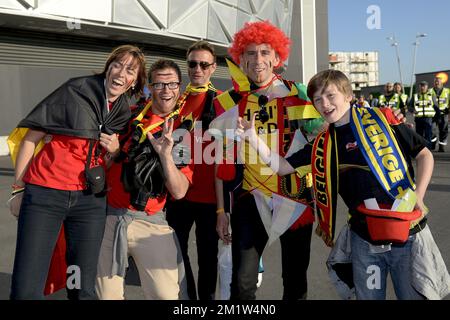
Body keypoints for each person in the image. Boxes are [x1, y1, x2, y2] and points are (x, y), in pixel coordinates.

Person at [238, 69, 450, 300]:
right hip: (364, 238)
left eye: (330, 96)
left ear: (348, 95)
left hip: (407, 234)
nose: (324, 104)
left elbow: (424, 154)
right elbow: (282, 167)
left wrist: (419, 195)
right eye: (317, 99)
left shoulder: (383, 119)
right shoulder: (322, 144)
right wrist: (253, 138)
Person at [8, 44, 147, 300]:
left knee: (81, 285)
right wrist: (17, 190)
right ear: (108, 67)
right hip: (45, 196)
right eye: (117, 64)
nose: (121, 73)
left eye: (130, 70)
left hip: (88, 202)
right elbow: (30, 139)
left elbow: (103, 163)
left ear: (134, 82)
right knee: (27, 286)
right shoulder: (76, 90)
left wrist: (114, 151)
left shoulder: (124, 111)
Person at [213, 21, 321, 300]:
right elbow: (220, 160)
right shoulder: (229, 101)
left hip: (293, 199)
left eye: (264, 52)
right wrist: (221, 210)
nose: (258, 59)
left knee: (295, 283)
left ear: (277, 58)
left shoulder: (297, 94)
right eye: (250, 53)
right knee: (242, 283)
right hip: (252, 198)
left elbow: (321, 141)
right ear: (241, 59)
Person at [96, 59, 195, 300]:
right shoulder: (126, 118)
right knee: (106, 297)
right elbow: (98, 163)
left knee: (165, 296)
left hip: (150, 221)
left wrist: (165, 156)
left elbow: (180, 191)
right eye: (159, 84)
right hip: (110, 217)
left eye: (172, 84)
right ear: (150, 87)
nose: (166, 90)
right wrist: (116, 152)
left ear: (179, 88)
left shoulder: (183, 131)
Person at [165, 40, 221, 300]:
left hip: (211, 198)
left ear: (213, 67)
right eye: (192, 64)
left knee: (208, 258)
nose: (197, 69)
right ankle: (189, 300)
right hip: (179, 194)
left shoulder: (223, 101)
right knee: (176, 252)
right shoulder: (174, 100)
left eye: (203, 64)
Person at [409, 81, 439, 148]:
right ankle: (420, 149)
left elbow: (436, 107)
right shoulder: (415, 96)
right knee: (419, 135)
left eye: (424, 86)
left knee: (428, 135)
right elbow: (409, 106)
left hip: (428, 119)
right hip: (418, 118)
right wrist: (412, 110)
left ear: (427, 87)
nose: (422, 87)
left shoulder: (431, 95)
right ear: (419, 87)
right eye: (421, 86)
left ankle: (428, 148)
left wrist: (436, 118)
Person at [429, 75, 449, 152]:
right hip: (433, 114)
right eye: (435, 81)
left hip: (444, 114)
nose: (437, 83)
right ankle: (433, 143)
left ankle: (441, 146)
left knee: (444, 130)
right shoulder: (430, 91)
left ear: (441, 82)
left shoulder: (447, 91)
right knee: (431, 129)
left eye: (438, 81)